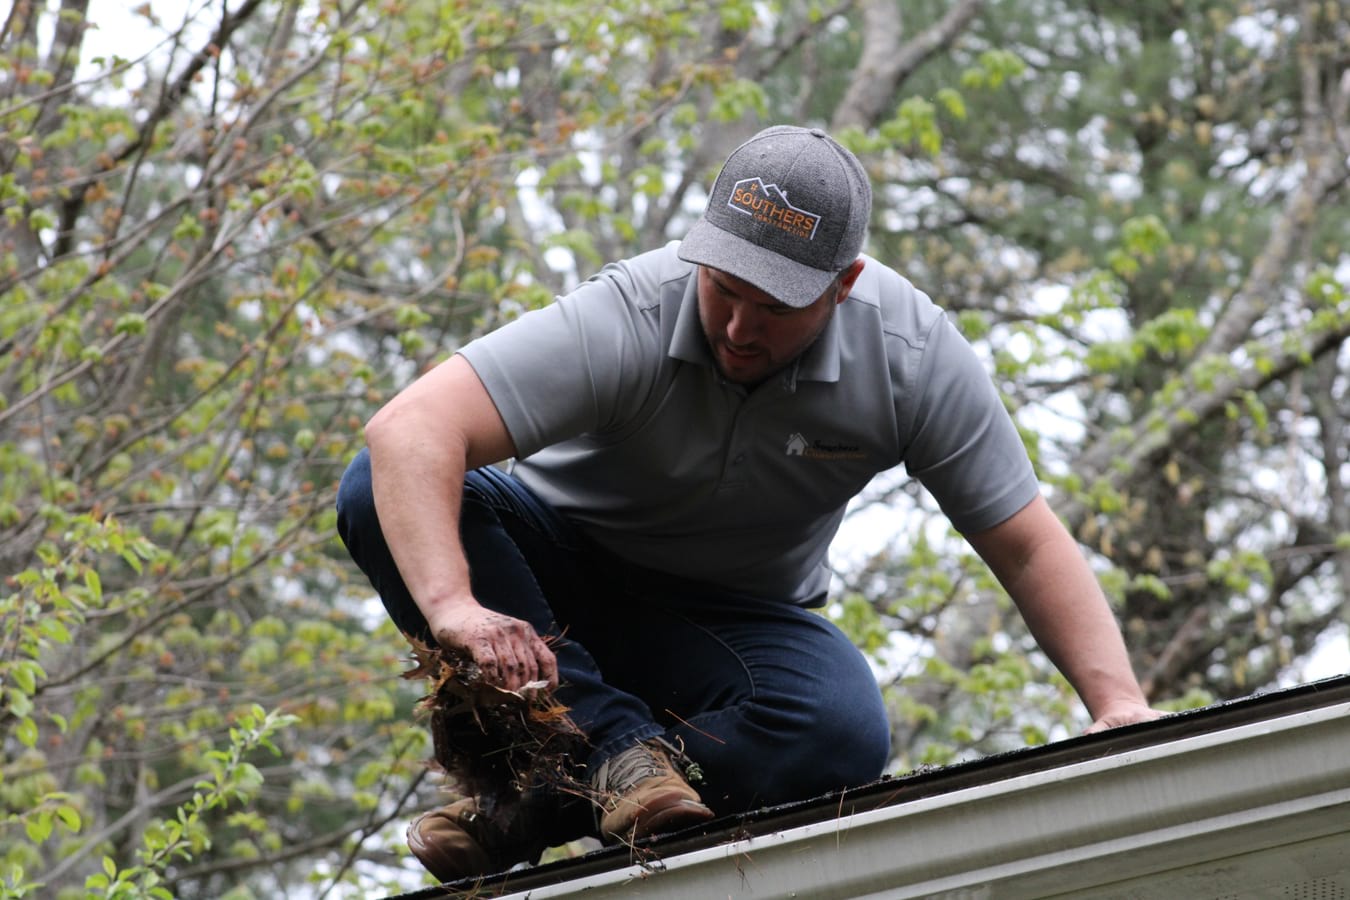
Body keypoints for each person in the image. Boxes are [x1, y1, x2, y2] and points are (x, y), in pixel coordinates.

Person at [335, 125, 1158, 882]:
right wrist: (455, 608)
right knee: (376, 484)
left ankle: (548, 797)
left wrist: (1119, 705)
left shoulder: (910, 355)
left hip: (728, 625)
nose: (737, 327)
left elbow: (1023, 541)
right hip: (551, 590)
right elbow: (409, 432)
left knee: (839, 733)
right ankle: (611, 752)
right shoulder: (631, 311)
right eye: (725, 289)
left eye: (775, 307)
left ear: (844, 287)